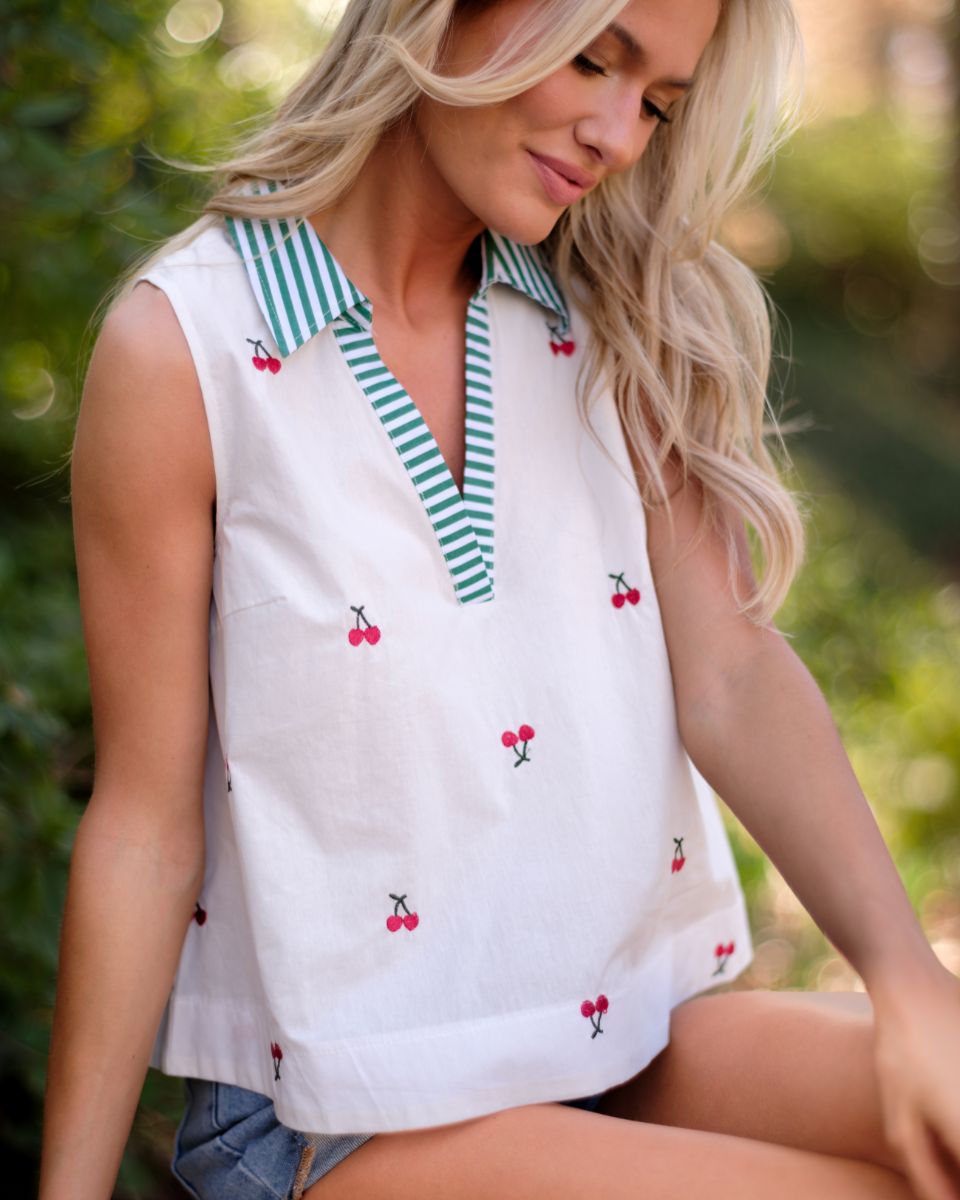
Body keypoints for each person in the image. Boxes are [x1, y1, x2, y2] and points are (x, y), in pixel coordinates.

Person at [39, 0, 960, 1197]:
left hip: (615, 1036)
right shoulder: (189, 348)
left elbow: (731, 676)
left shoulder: (613, 323)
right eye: (595, 59)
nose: (619, 135)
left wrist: (908, 986)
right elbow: (145, 830)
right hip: (340, 1114)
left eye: (658, 105)